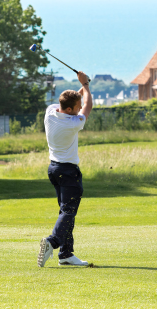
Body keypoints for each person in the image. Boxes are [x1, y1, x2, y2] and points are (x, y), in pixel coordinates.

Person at [37, 71, 93, 267]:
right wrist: (85, 85)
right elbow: (88, 107)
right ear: (70, 110)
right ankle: (51, 243)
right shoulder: (72, 124)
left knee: (65, 212)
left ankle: (66, 254)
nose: (79, 110)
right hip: (68, 172)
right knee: (69, 212)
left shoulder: (51, 111)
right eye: (76, 108)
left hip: (54, 169)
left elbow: (77, 102)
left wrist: (82, 86)